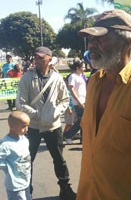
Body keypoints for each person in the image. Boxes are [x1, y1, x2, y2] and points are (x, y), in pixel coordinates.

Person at [76, 9, 131, 200]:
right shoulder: (94, 83)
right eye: (91, 40)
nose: (91, 45)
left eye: (99, 39)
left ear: (125, 43)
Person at [16, 46, 76, 199]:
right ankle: (26, 191)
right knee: (27, 160)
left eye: (41, 58)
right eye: (36, 57)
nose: (37, 60)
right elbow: (20, 103)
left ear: (50, 59)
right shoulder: (27, 78)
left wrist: (55, 113)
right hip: (33, 126)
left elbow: (65, 100)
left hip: (53, 125)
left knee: (59, 159)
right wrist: (37, 114)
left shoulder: (56, 78)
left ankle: (65, 187)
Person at [0, 111, 31, 200]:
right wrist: (8, 166)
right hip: (15, 185)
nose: (27, 129)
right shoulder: (5, 145)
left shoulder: (24, 139)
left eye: (27, 126)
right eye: (24, 126)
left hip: (25, 180)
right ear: (12, 126)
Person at [63, 60, 87, 144]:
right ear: (77, 68)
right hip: (78, 102)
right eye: (83, 67)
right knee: (81, 120)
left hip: (84, 100)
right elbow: (71, 88)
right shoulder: (73, 76)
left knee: (82, 120)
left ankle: (83, 138)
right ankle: (68, 135)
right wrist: (78, 100)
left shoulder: (81, 76)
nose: (85, 68)